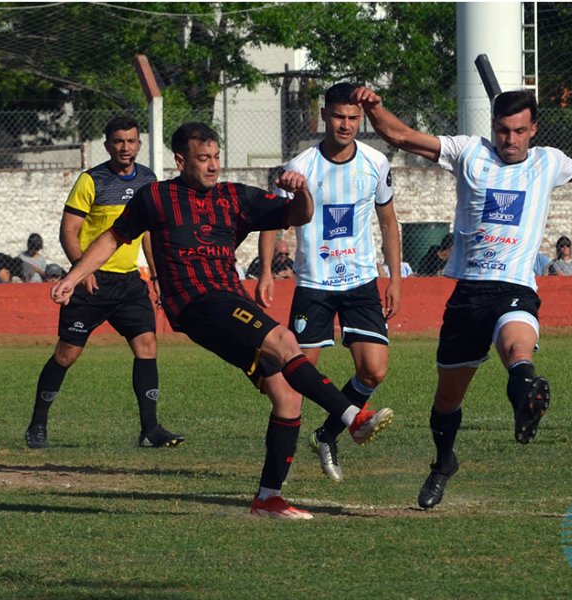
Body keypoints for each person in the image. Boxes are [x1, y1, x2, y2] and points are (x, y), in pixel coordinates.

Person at [352, 85, 572, 509]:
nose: (509, 140)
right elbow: (402, 137)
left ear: (533, 130)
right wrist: (376, 107)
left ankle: (527, 400)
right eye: (502, 130)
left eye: (518, 131)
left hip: (515, 287)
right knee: (447, 399)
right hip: (469, 291)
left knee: (517, 351)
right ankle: (443, 464)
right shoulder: (468, 152)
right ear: (493, 128)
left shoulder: (548, 162)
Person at [50, 121, 394, 519]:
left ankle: (268, 498)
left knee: (286, 395)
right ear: (181, 160)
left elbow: (295, 215)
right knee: (284, 340)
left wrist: (303, 191)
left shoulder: (235, 196)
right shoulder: (156, 197)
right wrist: (73, 277)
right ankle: (353, 417)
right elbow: (112, 238)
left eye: (216, 158)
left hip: (229, 301)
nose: (213, 166)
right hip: (195, 302)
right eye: (203, 159)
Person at [256, 82, 403, 483]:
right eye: (339, 116)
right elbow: (273, 219)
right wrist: (266, 270)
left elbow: (388, 222)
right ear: (324, 116)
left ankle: (328, 433)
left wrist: (394, 278)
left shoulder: (376, 162)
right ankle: (278, 471)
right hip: (314, 284)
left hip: (360, 282)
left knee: (374, 371)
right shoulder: (299, 166)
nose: (346, 124)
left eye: (354, 118)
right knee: (295, 380)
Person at [24, 117, 183, 450]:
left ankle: (150, 430)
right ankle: (37, 426)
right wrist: (82, 272)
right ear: (107, 144)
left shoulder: (148, 180)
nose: (126, 147)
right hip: (90, 285)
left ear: (139, 144)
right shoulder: (90, 180)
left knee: (147, 347)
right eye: (119, 141)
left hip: (129, 284)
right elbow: (68, 232)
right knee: (66, 355)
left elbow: (150, 234)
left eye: (132, 141)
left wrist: (155, 275)